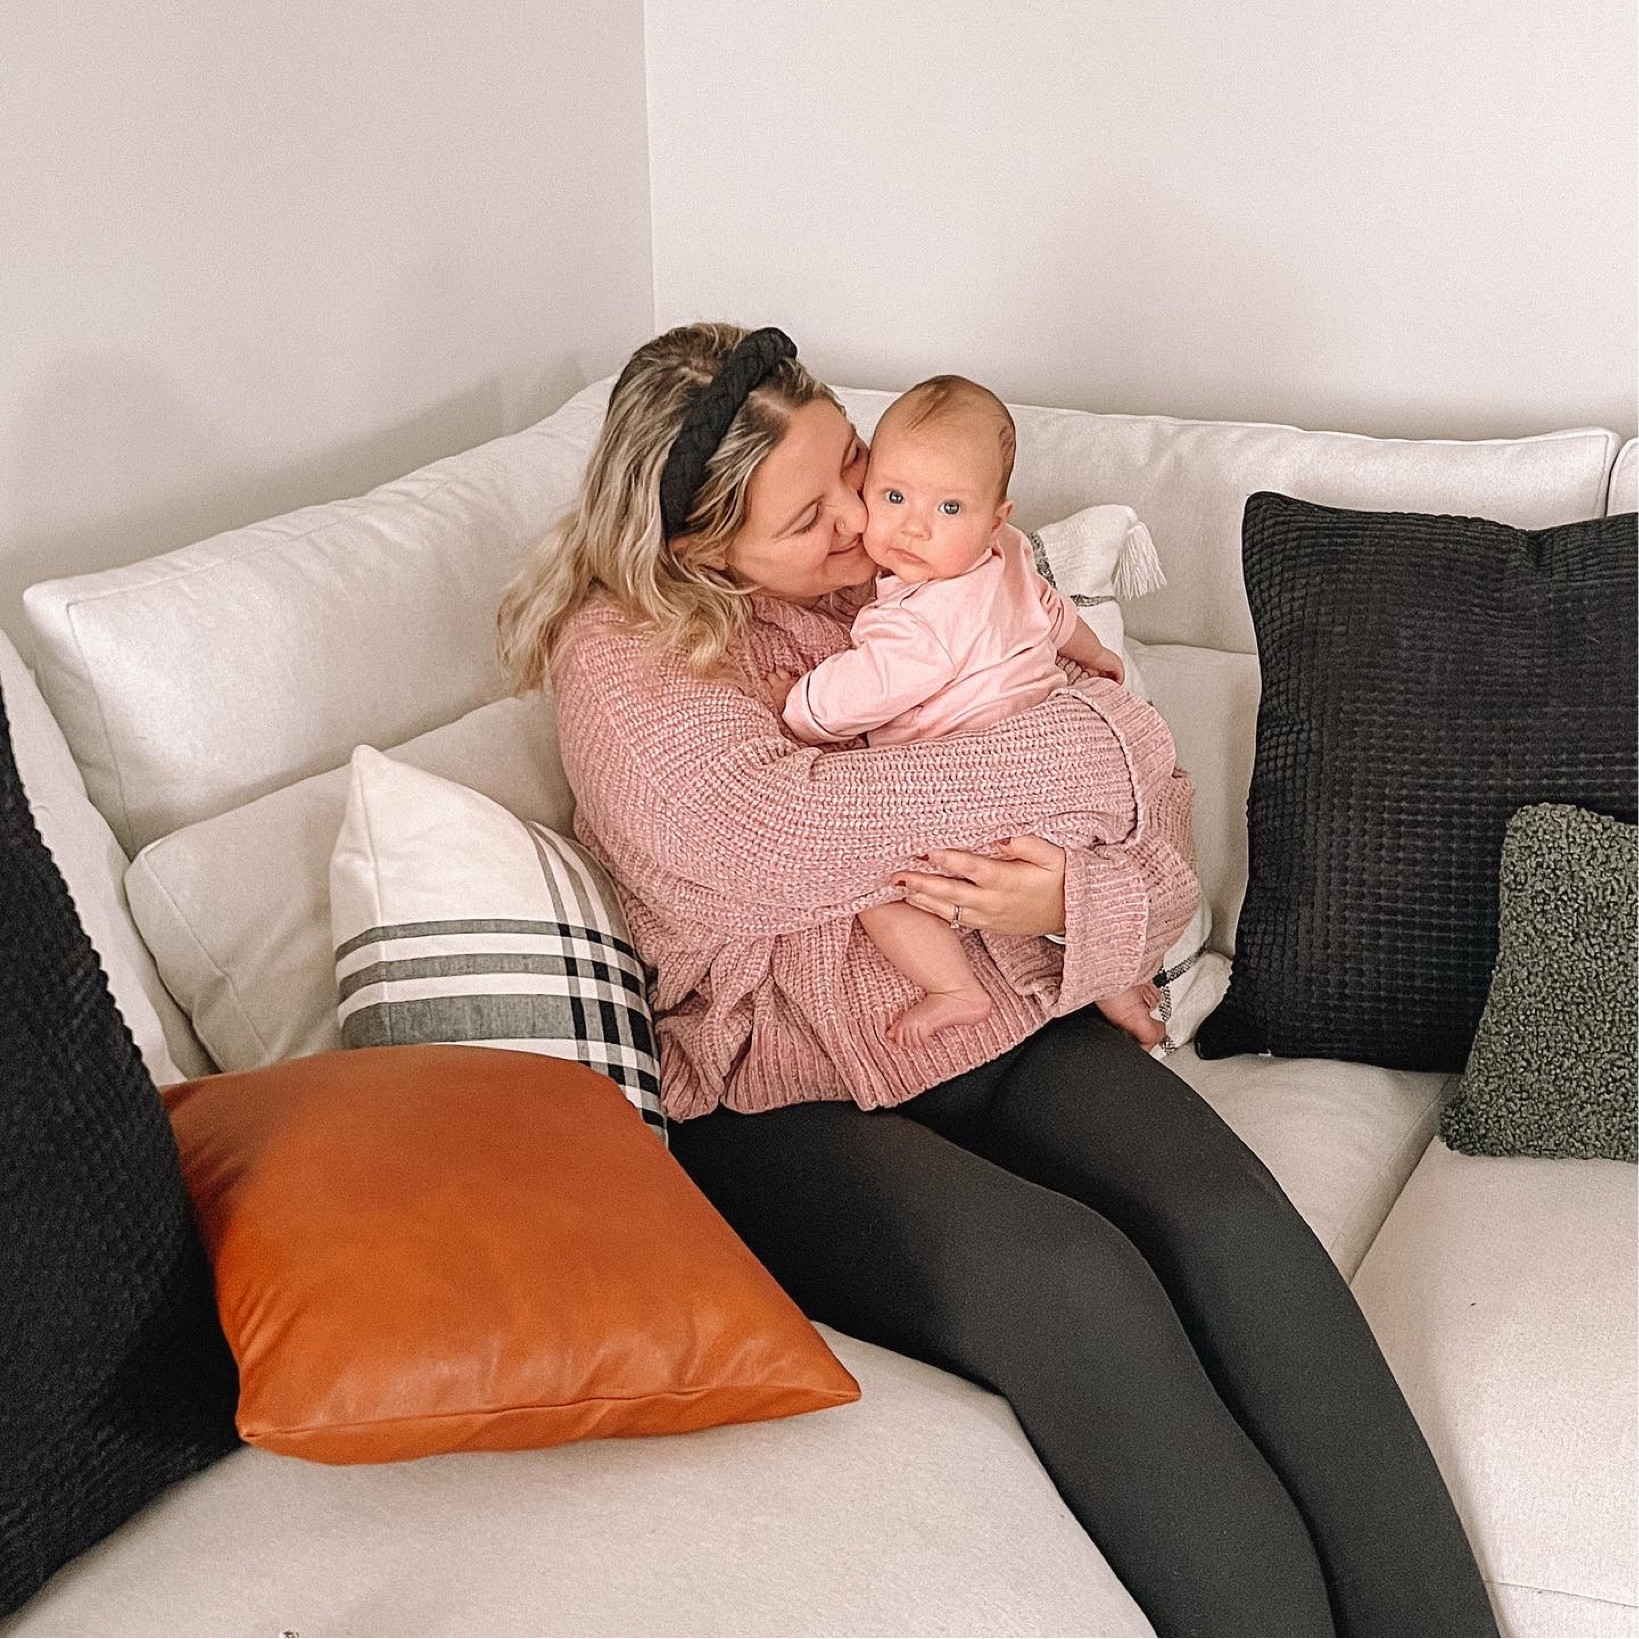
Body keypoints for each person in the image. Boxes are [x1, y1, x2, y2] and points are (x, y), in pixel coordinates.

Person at [495, 322, 1498, 1639]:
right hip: (783, 1104)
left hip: (1005, 1012)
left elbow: (1164, 840)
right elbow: (779, 831)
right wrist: (1091, 748)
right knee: (1071, 1278)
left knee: (1235, 1224)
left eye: (853, 469)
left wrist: (1076, 898)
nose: (866, 524)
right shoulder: (621, 659)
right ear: (695, 545)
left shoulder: (927, 563)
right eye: (812, 517)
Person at [774, 371, 1161, 1049]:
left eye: (948, 509)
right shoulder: (1009, 557)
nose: (912, 527)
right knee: (1072, 894)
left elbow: (861, 689)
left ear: (994, 515)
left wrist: (800, 703)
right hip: (1054, 788)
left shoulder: (922, 619)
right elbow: (1051, 611)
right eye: (893, 496)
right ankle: (1115, 978)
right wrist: (1094, 651)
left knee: (879, 887)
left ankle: (953, 987)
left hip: (980, 807)